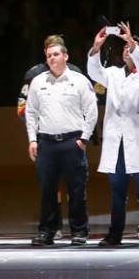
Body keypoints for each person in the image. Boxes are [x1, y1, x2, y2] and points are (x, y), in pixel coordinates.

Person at [87, 23, 139, 246]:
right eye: (125, 49)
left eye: (132, 48)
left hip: (138, 141)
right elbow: (94, 72)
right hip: (116, 142)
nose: (127, 51)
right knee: (118, 193)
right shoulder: (113, 74)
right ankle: (115, 234)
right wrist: (96, 48)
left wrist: (132, 43)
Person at [25, 35, 98, 245]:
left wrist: (84, 139)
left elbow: (91, 110)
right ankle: (47, 232)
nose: (52, 58)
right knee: (47, 190)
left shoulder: (79, 80)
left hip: (72, 142)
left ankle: (79, 232)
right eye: (49, 55)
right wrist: (32, 140)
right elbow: (31, 113)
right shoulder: (38, 82)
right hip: (46, 143)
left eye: (56, 54)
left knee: (76, 190)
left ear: (66, 56)